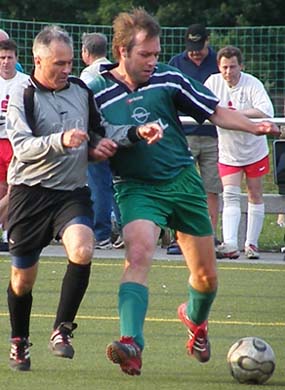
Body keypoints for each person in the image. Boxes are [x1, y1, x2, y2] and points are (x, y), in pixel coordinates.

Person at [88, 8, 279, 376]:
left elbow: (216, 112)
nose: (152, 61)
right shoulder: (96, 91)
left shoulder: (169, 79)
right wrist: (98, 147)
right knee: (139, 253)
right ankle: (131, 343)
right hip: (136, 188)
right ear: (122, 51)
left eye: (156, 54)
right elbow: (90, 136)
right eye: (145, 54)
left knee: (206, 278)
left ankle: (194, 319)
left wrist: (255, 127)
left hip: (183, 183)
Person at [6, 24, 162, 371]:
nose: (66, 70)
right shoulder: (22, 94)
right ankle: (19, 340)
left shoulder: (79, 89)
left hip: (71, 193)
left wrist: (136, 132)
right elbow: (22, 147)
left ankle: (62, 330)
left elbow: (101, 130)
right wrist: (62, 140)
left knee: (82, 248)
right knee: (22, 281)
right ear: (38, 59)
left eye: (69, 62)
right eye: (58, 63)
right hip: (29, 195)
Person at [205, 45, 274, 260]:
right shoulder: (213, 82)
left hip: (254, 148)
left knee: (254, 193)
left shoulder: (252, 83)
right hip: (228, 150)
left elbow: (265, 110)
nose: (228, 72)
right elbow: (203, 106)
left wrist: (235, 115)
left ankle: (251, 244)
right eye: (224, 67)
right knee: (230, 195)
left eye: (233, 67)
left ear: (241, 66)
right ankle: (231, 244)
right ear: (219, 67)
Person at [167, 24, 222, 255]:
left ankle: (209, 235)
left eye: (199, 47)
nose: (195, 52)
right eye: (191, 48)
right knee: (179, 185)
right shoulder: (176, 64)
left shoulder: (219, 62)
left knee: (211, 187)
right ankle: (179, 237)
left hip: (212, 136)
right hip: (184, 136)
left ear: (207, 41)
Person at [80, 32, 124, 249]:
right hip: (121, 135)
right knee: (119, 184)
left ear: (85, 52)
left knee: (99, 185)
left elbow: (84, 108)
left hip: (98, 138)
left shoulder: (88, 77)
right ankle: (125, 229)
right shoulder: (118, 70)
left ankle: (102, 234)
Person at [0, 39, 29, 251]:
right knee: (2, 188)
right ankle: (4, 232)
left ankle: (9, 231)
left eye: (10, 57)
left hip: (16, 142)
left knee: (16, 188)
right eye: (2, 58)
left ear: (16, 59)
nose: (6, 62)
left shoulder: (25, 82)